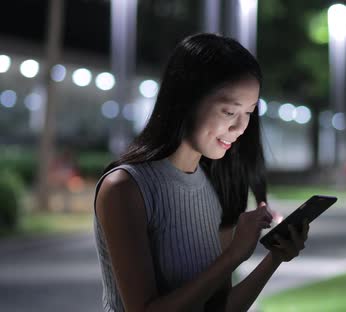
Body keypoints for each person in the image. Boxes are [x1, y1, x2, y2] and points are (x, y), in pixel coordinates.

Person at [94, 33, 309, 312]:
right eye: (230, 112)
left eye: (250, 113)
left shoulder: (212, 184)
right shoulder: (125, 187)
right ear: (188, 100)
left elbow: (218, 308)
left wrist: (274, 258)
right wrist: (233, 255)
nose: (241, 128)